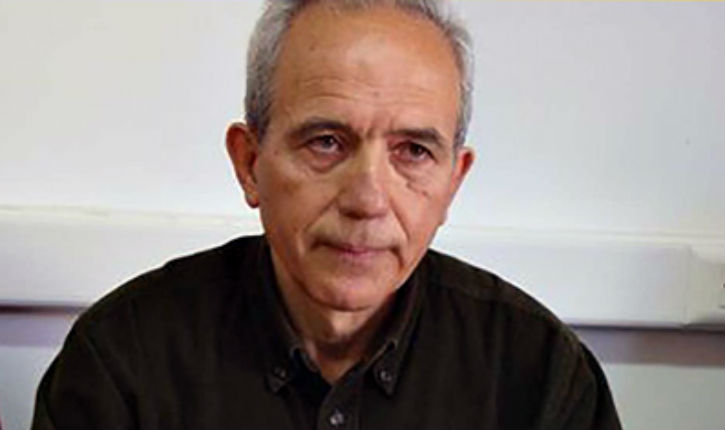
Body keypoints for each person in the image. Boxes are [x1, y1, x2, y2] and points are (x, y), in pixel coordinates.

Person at [32, 0, 621, 428]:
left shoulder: (538, 373)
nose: (368, 199)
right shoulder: (124, 362)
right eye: (326, 142)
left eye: (413, 152)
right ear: (250, 163)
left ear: (452, 182)